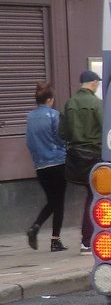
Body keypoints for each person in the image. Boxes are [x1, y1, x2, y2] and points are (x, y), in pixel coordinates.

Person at [60, 70, 103, 254]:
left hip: (76, 157)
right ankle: (88, 240)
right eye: (97, 83)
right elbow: (106, 127)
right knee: (96, 197)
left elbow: (62, 133)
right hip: (95, 155)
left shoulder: (70, 103)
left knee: (90, 195)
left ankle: (88, 240)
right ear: (93, 83)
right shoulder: (96, 103)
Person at [25, 82, 68, 252]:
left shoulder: (30, 117)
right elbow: (60, 137)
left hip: (40, 166)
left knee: (52, 200)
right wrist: (64, 149)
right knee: (59, 202)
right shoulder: (53, 115)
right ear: (49, 99)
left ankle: (36, 227)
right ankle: (55, 240)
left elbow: (29, 142)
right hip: (57, 162)